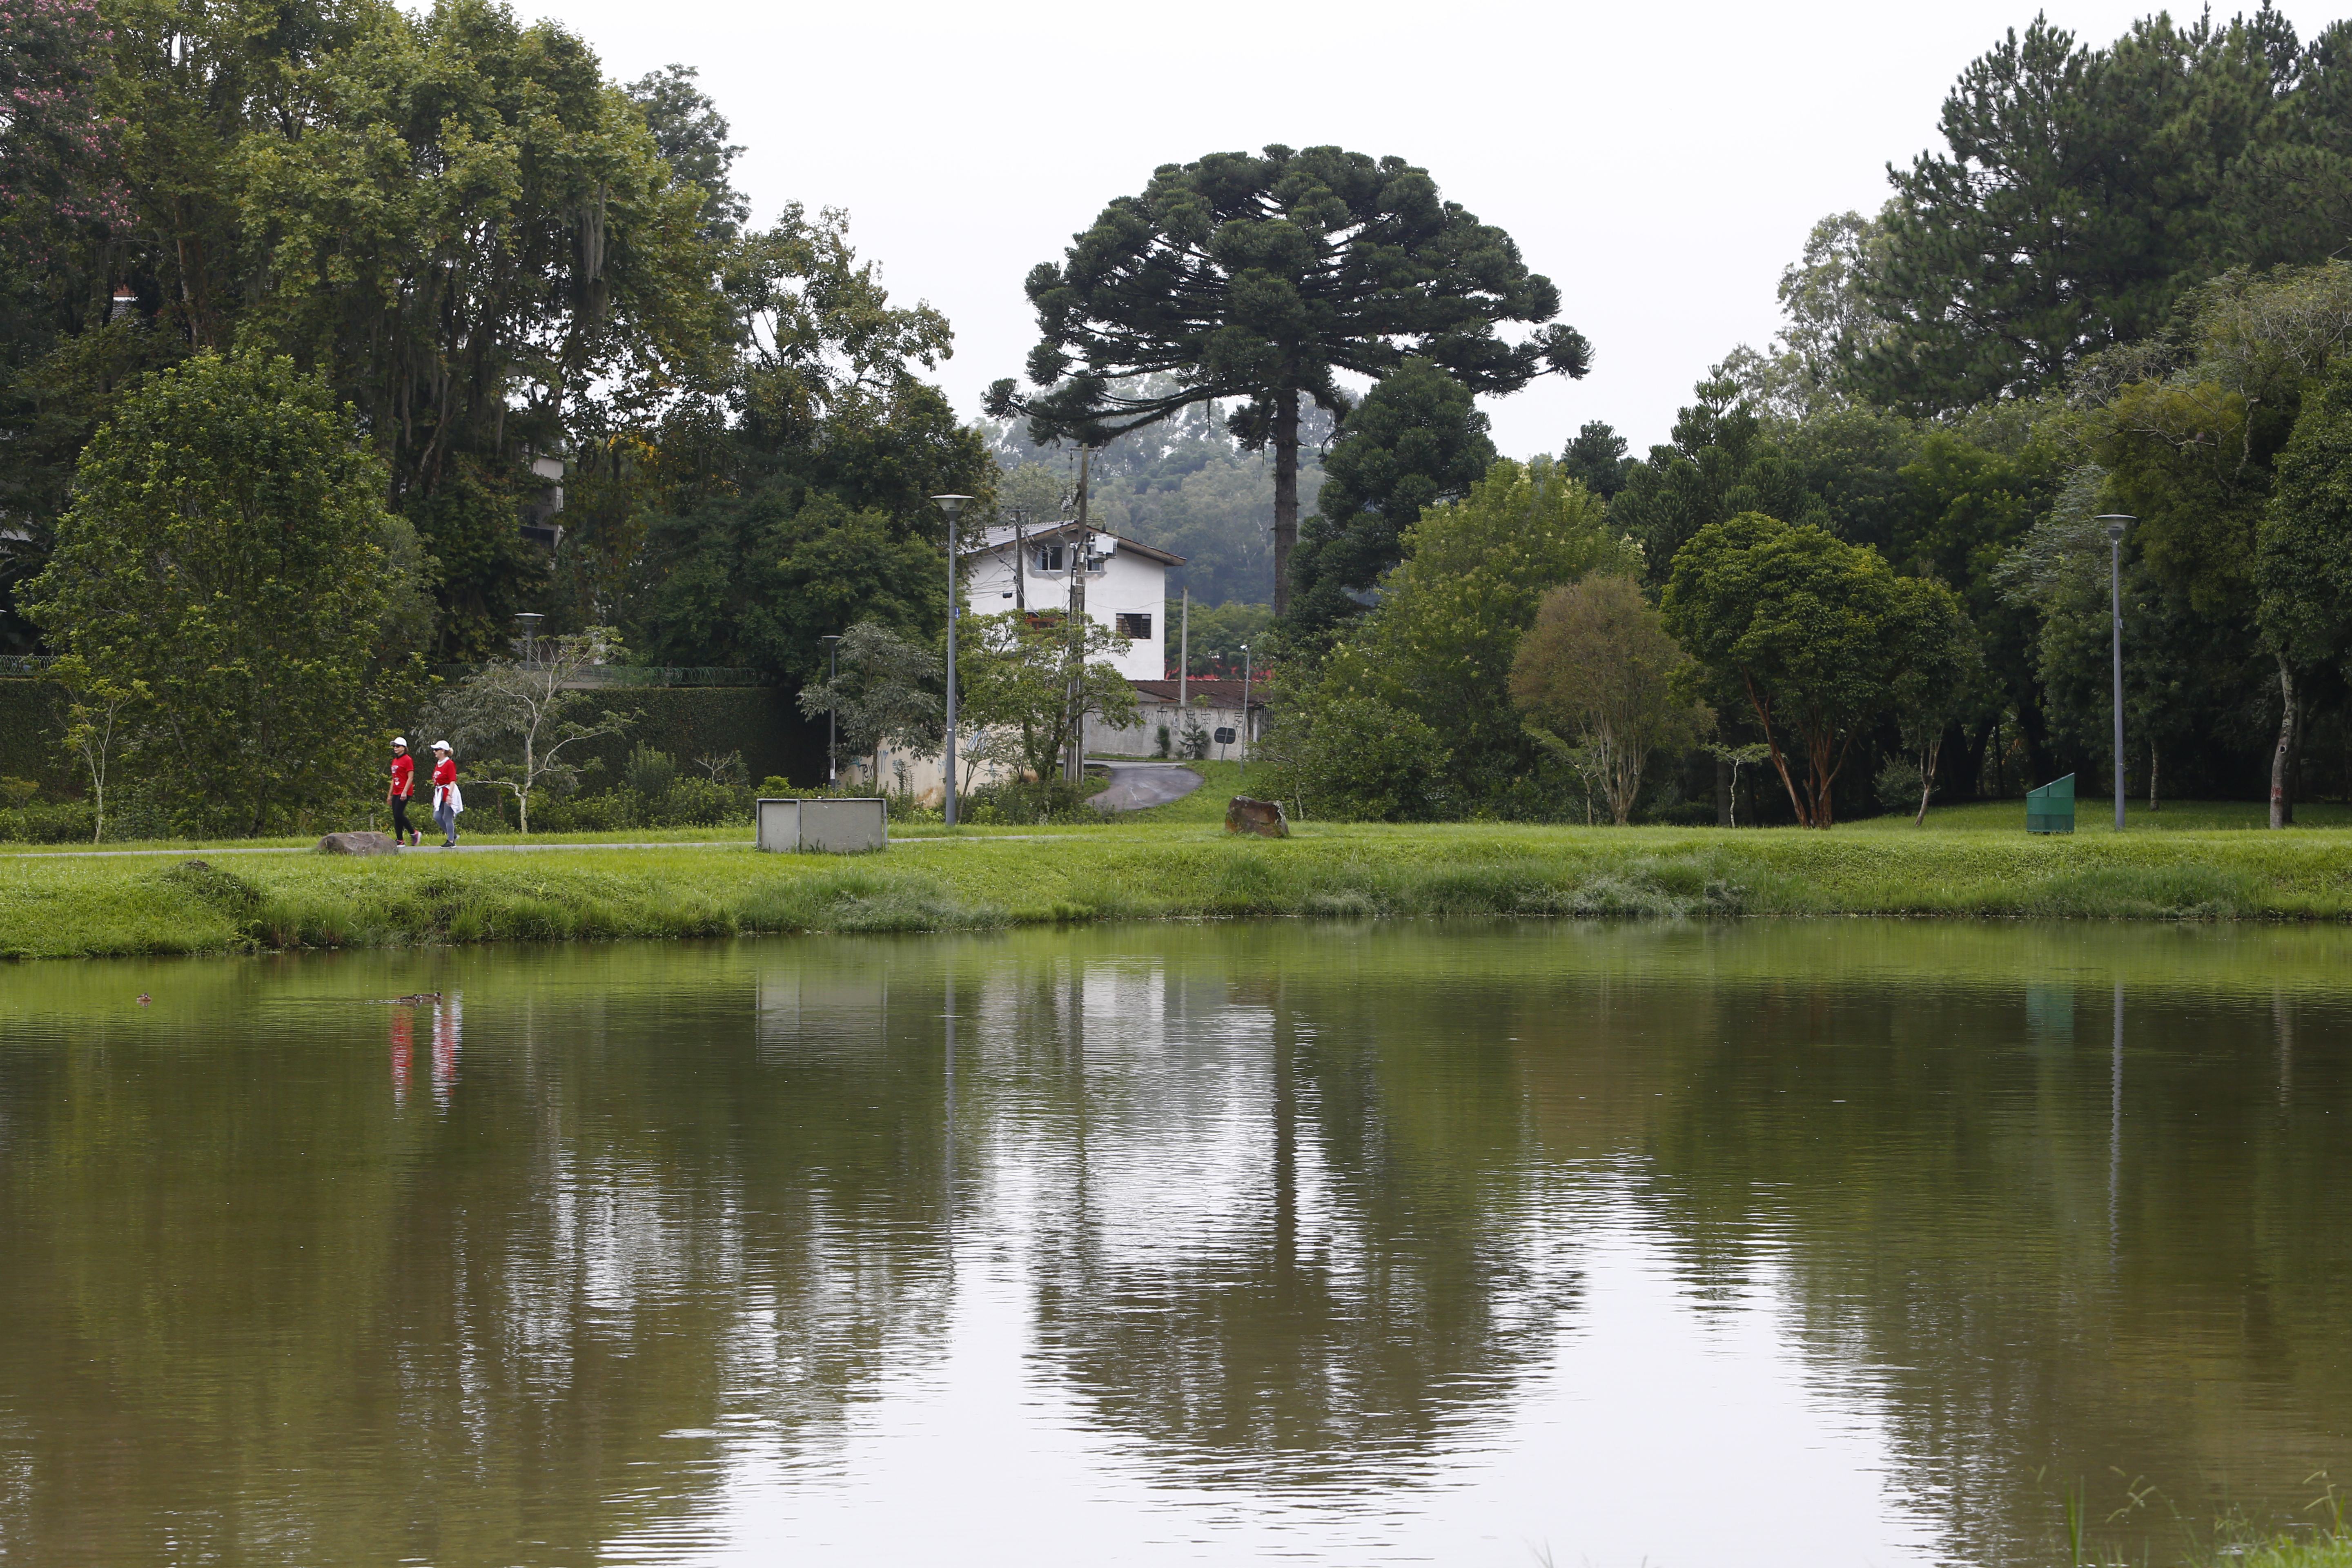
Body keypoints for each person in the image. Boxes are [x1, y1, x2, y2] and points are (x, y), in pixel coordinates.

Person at [429, 740, 463, 847]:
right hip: (440, 793)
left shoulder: (449, 764)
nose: (435, 752)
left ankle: (451, 841)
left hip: (448, 791)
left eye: (437, 750)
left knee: (447, 817)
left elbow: (452, 780)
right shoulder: (439, 764)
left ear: (443, 751)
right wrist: (436, 797)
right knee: (437, 816)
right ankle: (452, 835)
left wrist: (450, 795)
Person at [387, 737, 419, 848]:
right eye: (394, 746)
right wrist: (390, 795)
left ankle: (413, 833)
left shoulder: (407, 760)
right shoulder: (395, 761)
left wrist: (405, 792)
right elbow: (394, 778)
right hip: (396, 790)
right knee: (396, 816)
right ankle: (400, 840)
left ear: (404, 748)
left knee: (398, 814)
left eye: (398, 746)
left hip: (405, 790)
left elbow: (411, 777)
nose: (395, 748)